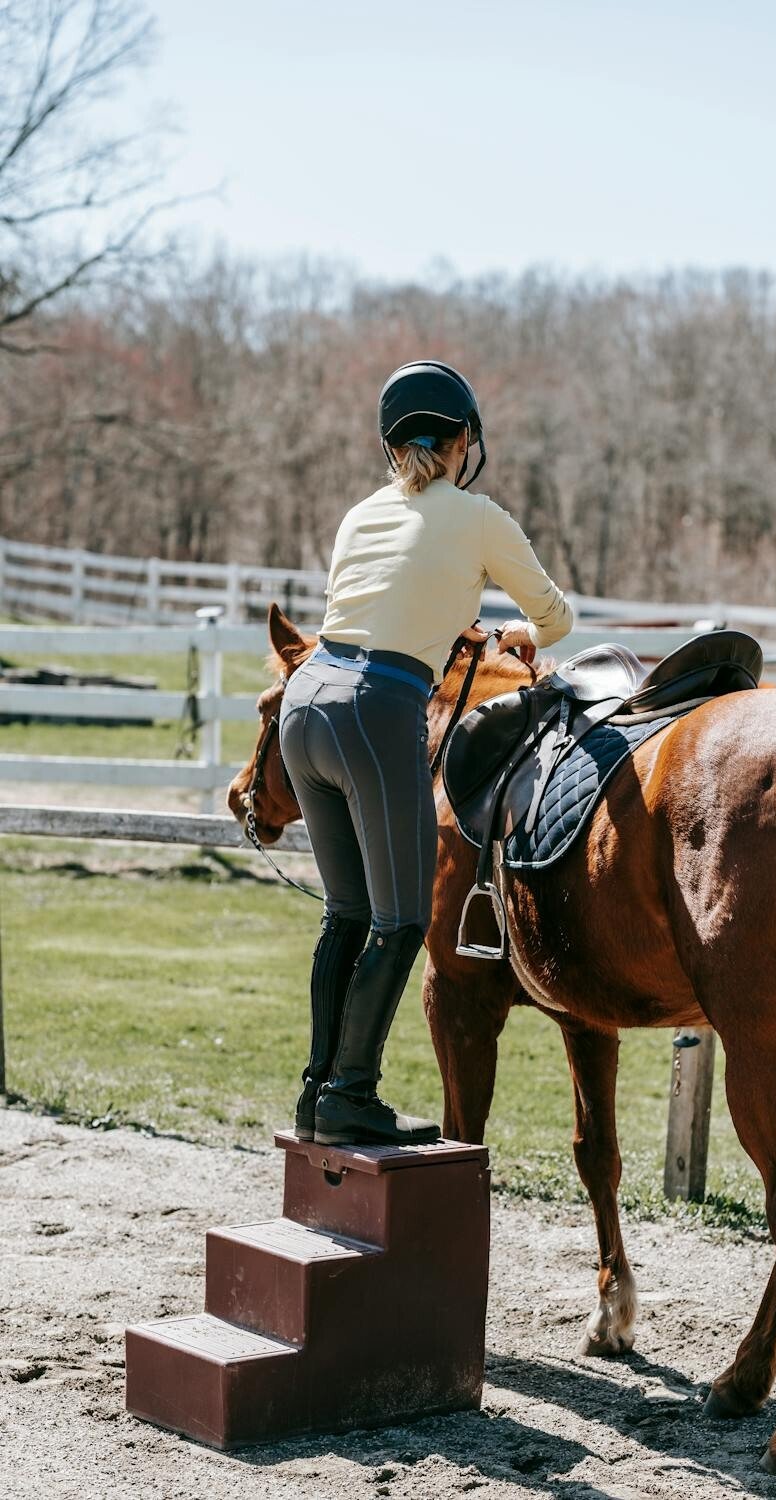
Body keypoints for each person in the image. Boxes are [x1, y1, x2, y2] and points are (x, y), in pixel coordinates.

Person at [278, 360, 573, 1147]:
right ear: (463, 440)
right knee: (404, 919)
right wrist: (521, 634)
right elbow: (556, 618)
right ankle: (350, 1093)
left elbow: (381, 606)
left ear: (391, 444)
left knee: (347, 912)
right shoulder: (478, 517)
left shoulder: (359, 515)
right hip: (375, 708)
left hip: (306, 701)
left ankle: (317, 1095)